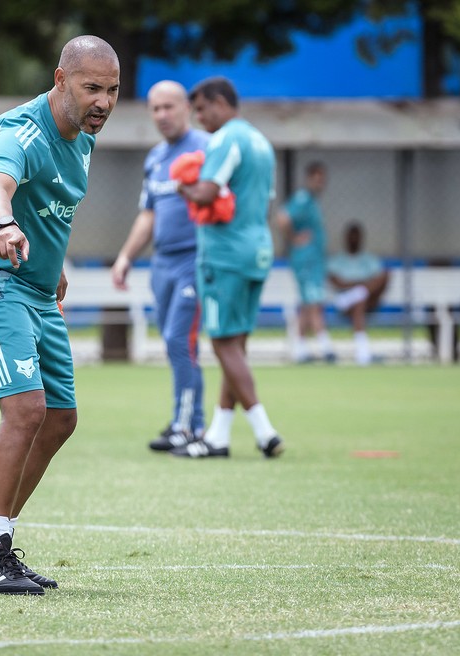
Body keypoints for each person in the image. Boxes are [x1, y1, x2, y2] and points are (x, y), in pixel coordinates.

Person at [0, 36, 120, 594]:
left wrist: (53, 261)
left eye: (113, 90)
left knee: (60, 419)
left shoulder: (84, 140)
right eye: (92, 88)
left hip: (38, 287)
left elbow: (51, 206)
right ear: (60, 79)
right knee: (25, 410)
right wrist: (4, 226)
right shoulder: (18, 132)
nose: (104, 101)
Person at [173, 76, 284, 459]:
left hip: (224, 255)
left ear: (221, 102)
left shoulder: (225, 139)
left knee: (222, 343)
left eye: (202, 109)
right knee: (234, 345)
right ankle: (218, 437)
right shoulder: (260, 141)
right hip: (257, 250)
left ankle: (264, 430)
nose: (200, 118)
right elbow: (263, 201)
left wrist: (182, 185)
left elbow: (205, 192)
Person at [110, 80, 207, 452]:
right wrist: (125, 257)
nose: (162, 115)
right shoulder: (156, 158)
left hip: (195, 260)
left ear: (187, 108)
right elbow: (148, 214)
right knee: (176, 345)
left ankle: (188, 426)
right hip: (161, 264)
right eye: (155, 109)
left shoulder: (205, 149)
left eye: (169, 107)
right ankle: (187, 422)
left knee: (179, 339)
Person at [275, 161, 336, 364]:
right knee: (313, 303)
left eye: (322, 178)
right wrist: (294, 238)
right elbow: (282, 218)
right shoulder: (302, 199)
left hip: (314, 260)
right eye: (317, 178)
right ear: (309, 178)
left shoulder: (312, 201)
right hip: (306, 260)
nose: (320, 182)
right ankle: (325, 345)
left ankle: (300, 348)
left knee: (308, 303)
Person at [327, 221, 390, 365]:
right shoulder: (337, 260)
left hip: (370, 301)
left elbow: (380, 279)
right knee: (359, 302)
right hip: (344, 303)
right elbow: (336, 282)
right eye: (351, 236)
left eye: (357, 236)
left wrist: (360, 288)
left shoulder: (369, 259)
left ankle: (358, 293)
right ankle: (363, 354)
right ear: (346, 238)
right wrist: (362, 284)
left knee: (384, 276)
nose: (354, 239)